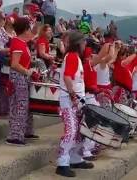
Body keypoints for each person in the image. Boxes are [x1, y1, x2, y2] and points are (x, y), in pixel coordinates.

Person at [56, 31, 94, 178]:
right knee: (71, 131)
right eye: (83, 42)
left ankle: (75, 158)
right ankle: (62, 162)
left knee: (79, 131)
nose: (85, 45)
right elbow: (67, 77)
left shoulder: (75, 57)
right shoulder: (72, 57)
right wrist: (72, 95)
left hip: (76, 99)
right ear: (78, 43)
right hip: (69, 99)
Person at [6, 17, 38, 146]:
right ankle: (15, 135)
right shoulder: (18, 43)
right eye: (29, 28)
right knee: (19, 106)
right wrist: (27, 71)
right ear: (25, 30)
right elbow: (14, 64)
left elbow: (35, 33)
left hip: (21, 77)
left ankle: (20, 132)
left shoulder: (21, 42)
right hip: (18, 77)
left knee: (22, 105)